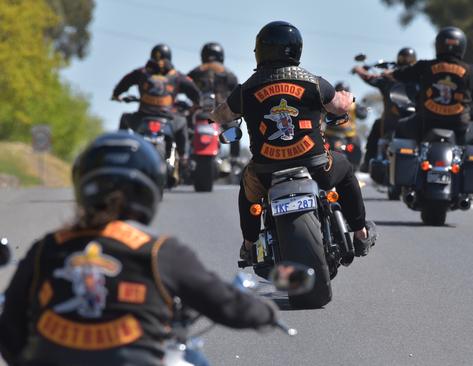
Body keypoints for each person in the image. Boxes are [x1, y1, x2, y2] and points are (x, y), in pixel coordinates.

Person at [0, 132, 278, 366]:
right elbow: (223, 303)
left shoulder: (47, 248)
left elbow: (11, 333)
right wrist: (264, 313)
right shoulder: (159, 251)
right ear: (151, 190)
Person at [208, 21, 376, 262]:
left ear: (260, 51)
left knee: (247, 190)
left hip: (267, 172)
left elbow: (223, 114)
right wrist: (347, 98)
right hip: (317, 167)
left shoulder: (246, 90)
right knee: (347, 169)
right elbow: (339, 105)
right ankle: (360, 233)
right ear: (296, 49)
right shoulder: (313, 82)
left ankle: (249, 244)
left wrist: (210, 115)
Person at [382, 27, 473, 144]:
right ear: (462, 46)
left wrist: (388, 73)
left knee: (401, 127)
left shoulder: (424, 66)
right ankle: (472, 164)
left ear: (438, 45)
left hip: (425, 123)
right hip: (459, 126)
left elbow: (401, 74)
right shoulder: (471, 71)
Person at [112, 43, 201, 163]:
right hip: (168, 119)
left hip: (142, 117)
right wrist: (197, 104)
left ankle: (120, 151)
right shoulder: (177, 76)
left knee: (124, 118)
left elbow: (125, 81)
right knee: (183, 121)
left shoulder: (141, 72)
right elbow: (194, 92)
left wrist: (116, 95)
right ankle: (183, 156)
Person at [353, 47, 417, 171]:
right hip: (410, 121)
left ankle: (368, 162)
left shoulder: (390, 78)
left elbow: (370, 77)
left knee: (377, 125)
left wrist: (358, 69)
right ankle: (368, 162)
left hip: (395, 120)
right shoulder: (418, 78)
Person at [188, 42, 241, 157]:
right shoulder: (229, 74)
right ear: (221, 56)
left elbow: (185, 86)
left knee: (183, 129)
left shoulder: (196, 71)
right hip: (222, 113)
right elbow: (237, 93)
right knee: (234, 131)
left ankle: (182, 156)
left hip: (198, 113)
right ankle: (234, 160)